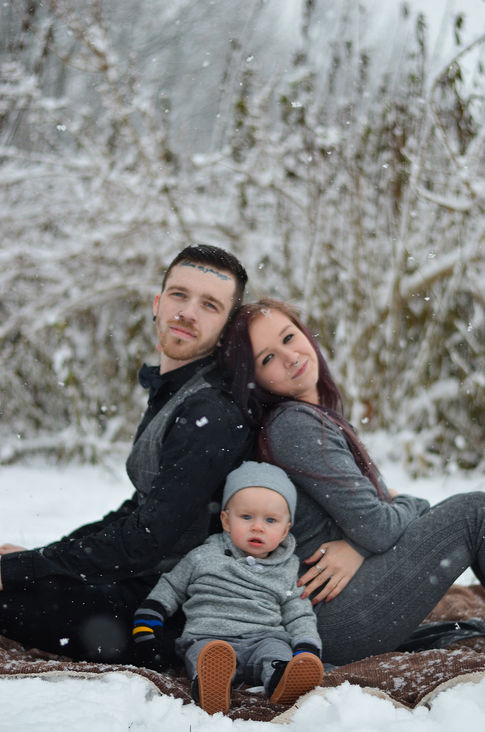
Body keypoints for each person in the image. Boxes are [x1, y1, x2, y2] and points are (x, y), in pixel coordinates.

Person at [0, 245, 254, 663]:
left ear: (227, 329)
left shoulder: (210, 410)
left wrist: (22, 571)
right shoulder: (180, 390)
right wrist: (35, 559)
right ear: (157, 304)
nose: (187, 312)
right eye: (179, 295)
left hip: (174, 608)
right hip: (146, 582)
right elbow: (138, 509)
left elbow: (145, 540)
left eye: (209, 305)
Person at [219, 298, 485, 666]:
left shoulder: (306, 418)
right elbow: (378, 527)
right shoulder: (294, 426)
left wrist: (359, 544)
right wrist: (403, 507)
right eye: (267, 359)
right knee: (475, 513)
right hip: (329, 617)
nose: (290, 357)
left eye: (289, 337)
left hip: (338, 609)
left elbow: (373, 525)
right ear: (255, 380)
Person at [132, 460, 324, 715]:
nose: (257, 527)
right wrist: (149, 617)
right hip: (208, 636)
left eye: (270, 520)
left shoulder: (287, 569)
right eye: (246, 517)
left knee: (277, 654)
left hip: (264, 638)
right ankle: (211, 684)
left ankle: (282, 681)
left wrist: (306, 646)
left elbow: (299, 612)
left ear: (285, 530)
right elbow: (171, 585)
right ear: (225, 520)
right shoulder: (203, 556)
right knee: (205, 654)